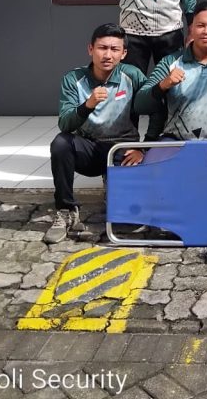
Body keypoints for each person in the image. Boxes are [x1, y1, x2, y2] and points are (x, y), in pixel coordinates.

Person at [46, 24, 146, 244]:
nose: (108, 55)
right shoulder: (73, 78)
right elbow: (65, 124)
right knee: (61, 143)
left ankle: (114, 189)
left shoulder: (132, 75)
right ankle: (66, 210)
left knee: (127, 219)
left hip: (122, 150)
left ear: (123, 53)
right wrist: (87, 105)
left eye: (114, 49)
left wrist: (143, 147)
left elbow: (156, 108)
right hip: (89, 147)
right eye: (102, 48)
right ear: (90, 49)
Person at [135, 1, 207, 147]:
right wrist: (163, 85)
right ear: (191, 29)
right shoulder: (170, 62)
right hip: (175, 142)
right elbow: (140, 105)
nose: (206, 31)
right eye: (200, 25)